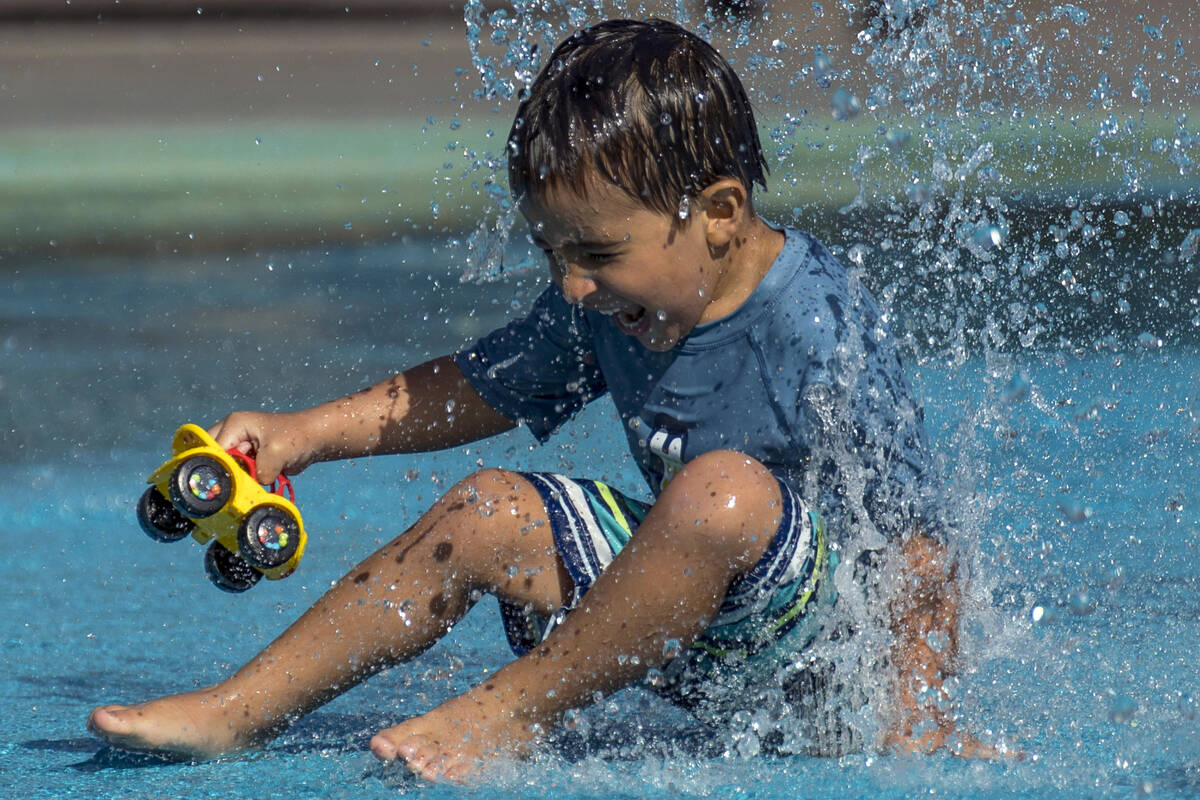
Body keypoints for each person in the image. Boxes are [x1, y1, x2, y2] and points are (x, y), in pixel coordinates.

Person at [87, 18, 985, 781]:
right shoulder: (605, 300)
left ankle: (511, 713)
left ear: (717, 212)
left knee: (724, 491)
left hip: (823, 650)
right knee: (484, 510)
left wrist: (918, 714)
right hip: (688, 632)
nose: (573, 285)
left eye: (594, 254)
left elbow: (918, 541)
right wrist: (305, 435)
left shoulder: (816, 327)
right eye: (553, 254)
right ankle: (236, 712)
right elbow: (477, 386)